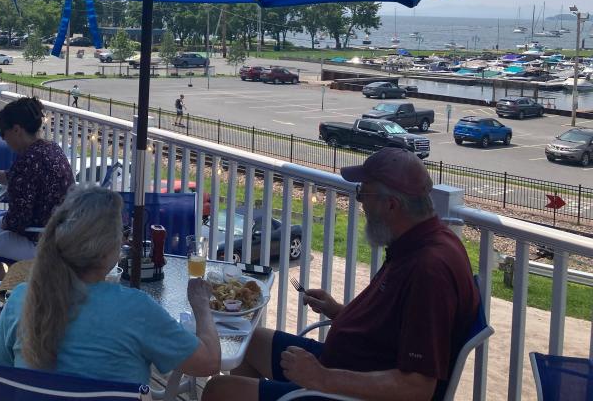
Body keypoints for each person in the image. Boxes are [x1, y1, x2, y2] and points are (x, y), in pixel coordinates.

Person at [201, 148, 478, 401]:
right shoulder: (418, 241)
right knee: (248, 341)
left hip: (346, 389)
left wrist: (321, 378)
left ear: (391, 205)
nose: (362, 204)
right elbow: (393, 325)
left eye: (363, 194)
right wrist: (338, 311)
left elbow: (417, 387)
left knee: (218, 391)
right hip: (343, 365)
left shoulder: (430, 269)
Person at [0, 186, 221, 385]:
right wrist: (201, 305)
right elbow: (209, 362)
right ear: (108, 249)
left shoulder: (23, 299)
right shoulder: (136, 310)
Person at [0, 96, 74, 279]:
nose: (3, 139)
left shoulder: (28, 160)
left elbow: (18, 220)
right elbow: (15, 178)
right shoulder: (50, 148)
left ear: (16, 130)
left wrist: (7, 224)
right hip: (58, 233)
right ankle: (12, 284)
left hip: (41, 242)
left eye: (2, 133)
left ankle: (3, 297)